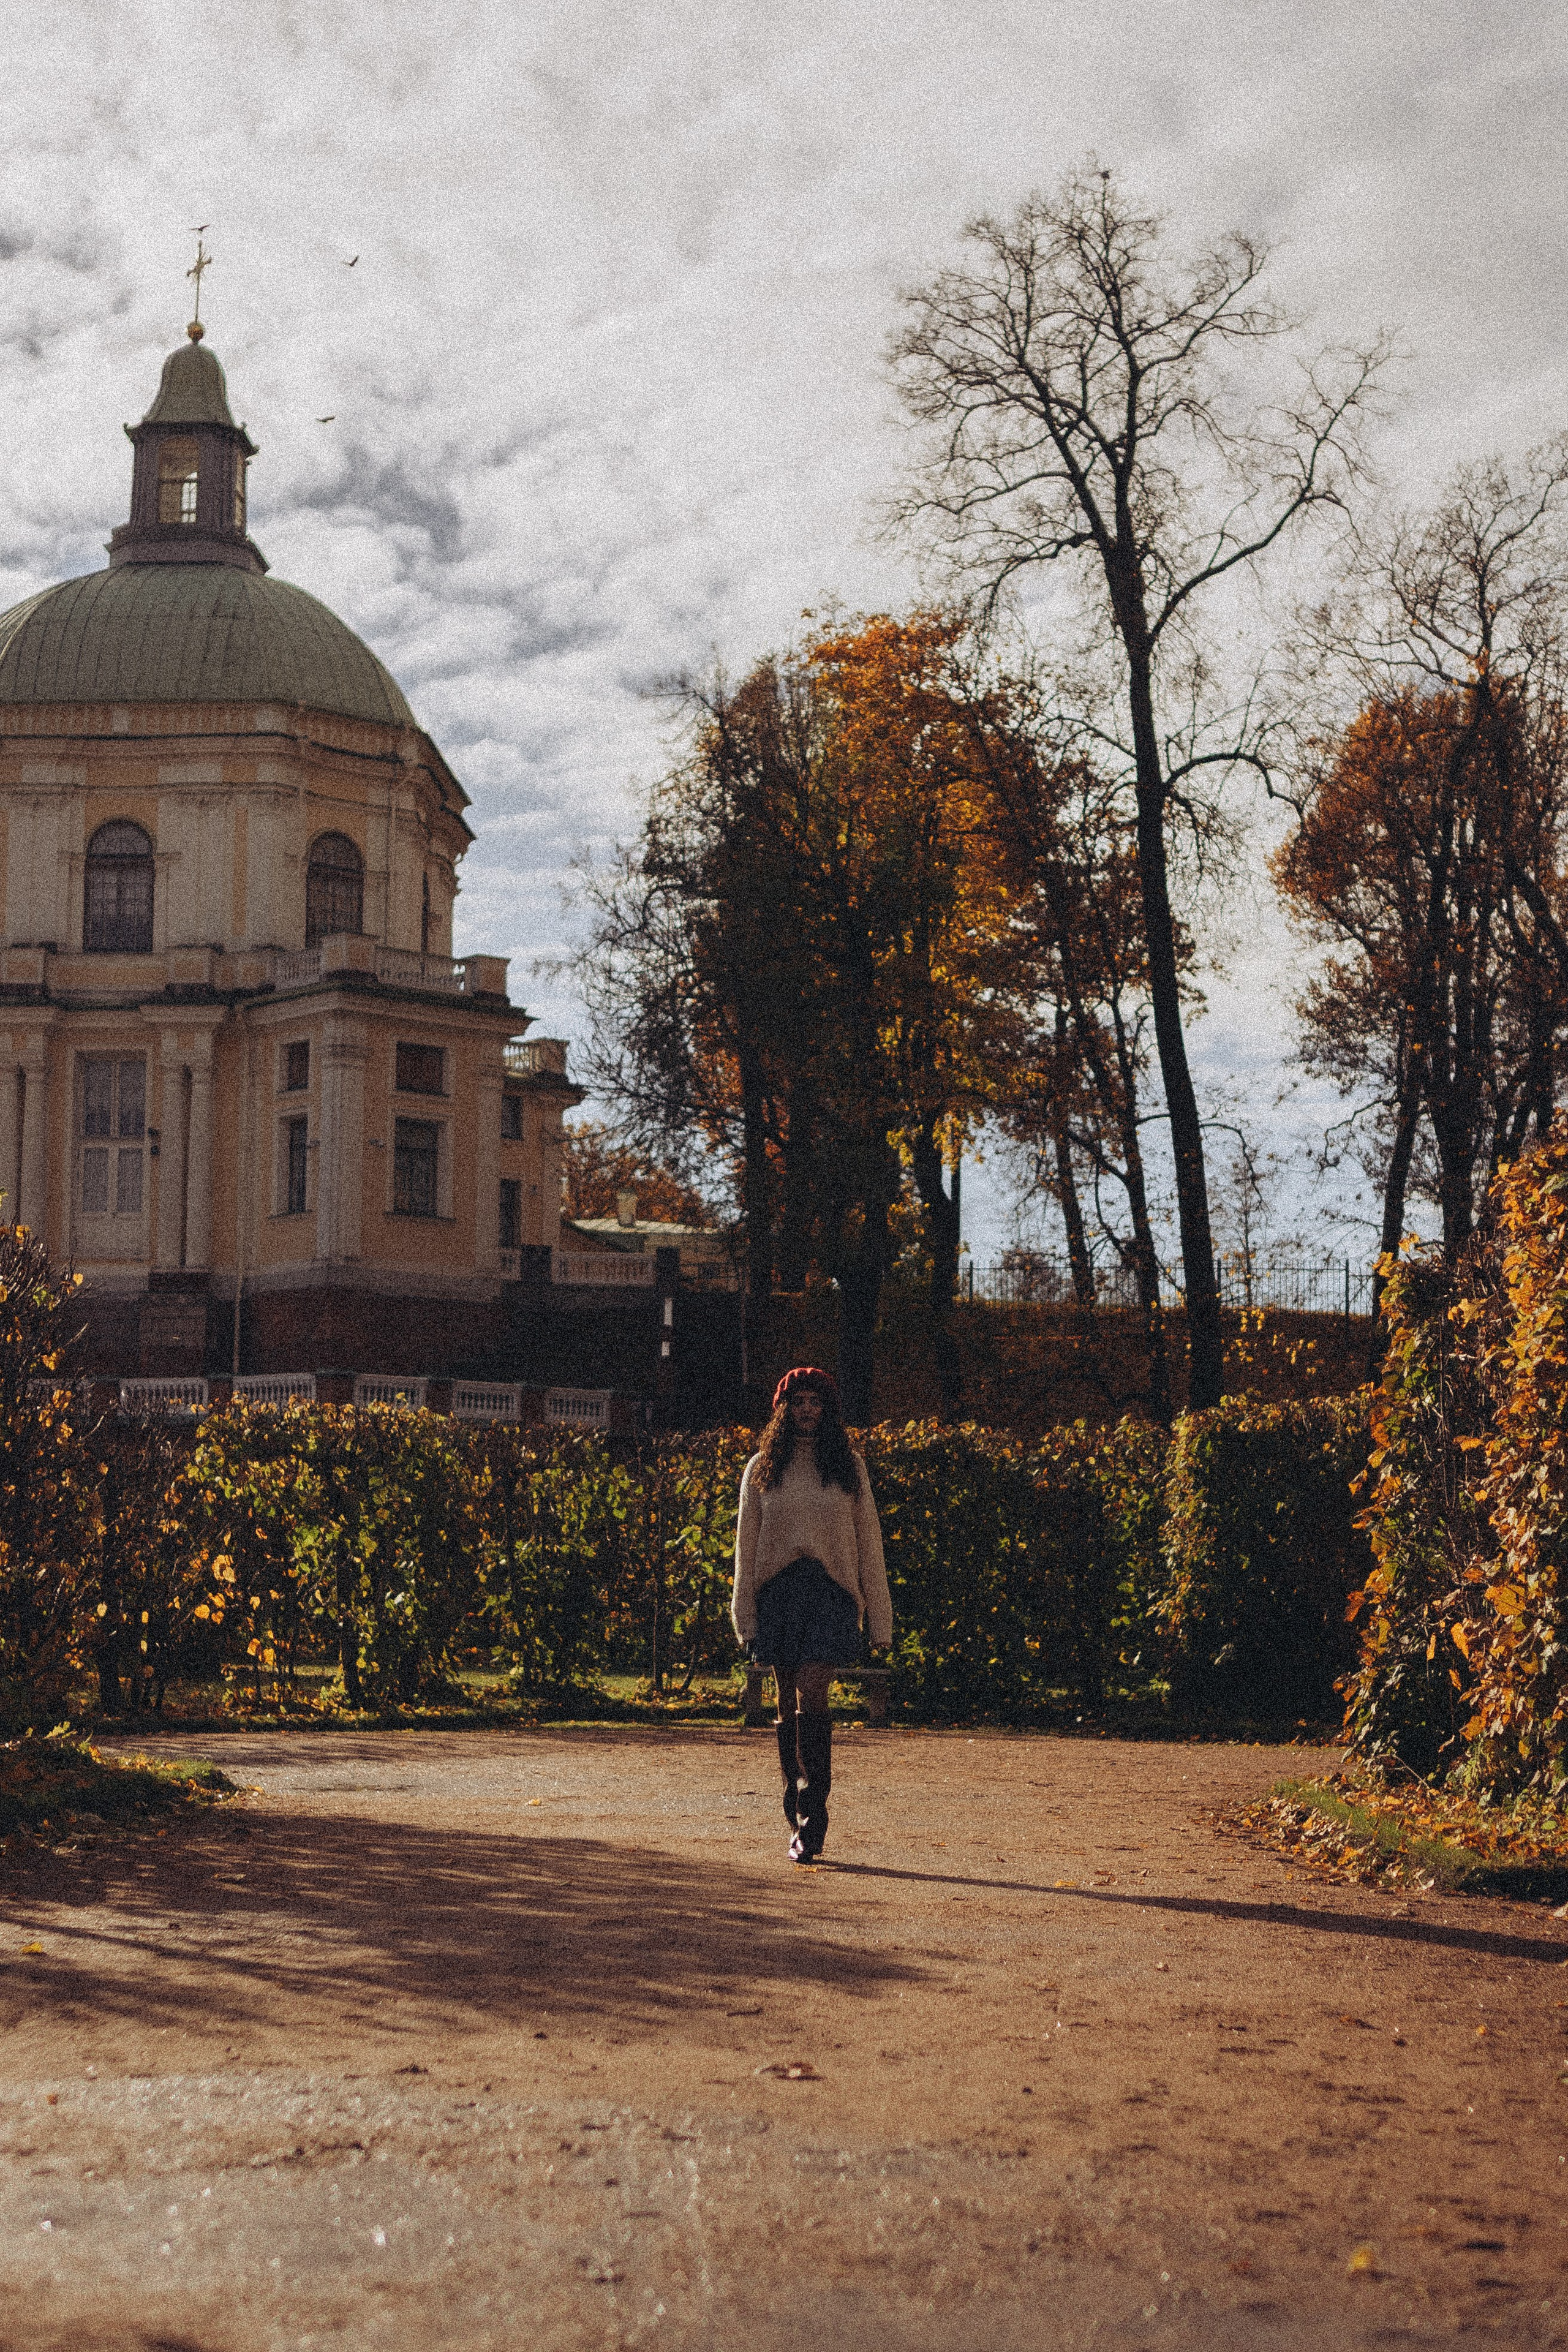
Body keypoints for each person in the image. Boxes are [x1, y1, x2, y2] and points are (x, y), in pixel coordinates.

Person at [731, 1366, 892, 1863]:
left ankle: (813, 1816)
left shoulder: (849, 1467)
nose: (806, 1410)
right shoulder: (762, 1467)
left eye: (815, 1402)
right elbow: (746, 1546)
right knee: (785, 1704)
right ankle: (794, 1803)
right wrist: (745, 1613)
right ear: (783, 1409)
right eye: (797, 1401)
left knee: (813, 1690)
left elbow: (869, 1541)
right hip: (778, 1592)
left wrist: (880, 1618)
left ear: (828, 1410)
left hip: (831, 1593)